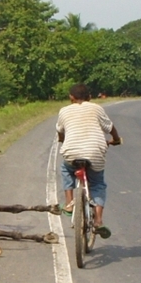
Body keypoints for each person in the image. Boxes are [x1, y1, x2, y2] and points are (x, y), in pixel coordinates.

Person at [56, 83, 121, 238]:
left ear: (71, 97)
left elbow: (60, 132)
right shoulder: (96, 108)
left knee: (66, 169)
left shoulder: (64, 111)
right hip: (94, 152)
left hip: (72, 152)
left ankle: (69, 203)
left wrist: (63, 141)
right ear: (89, 97)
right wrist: (116, 140)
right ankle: (98, 221)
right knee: (97, 183)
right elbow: (110, 127)